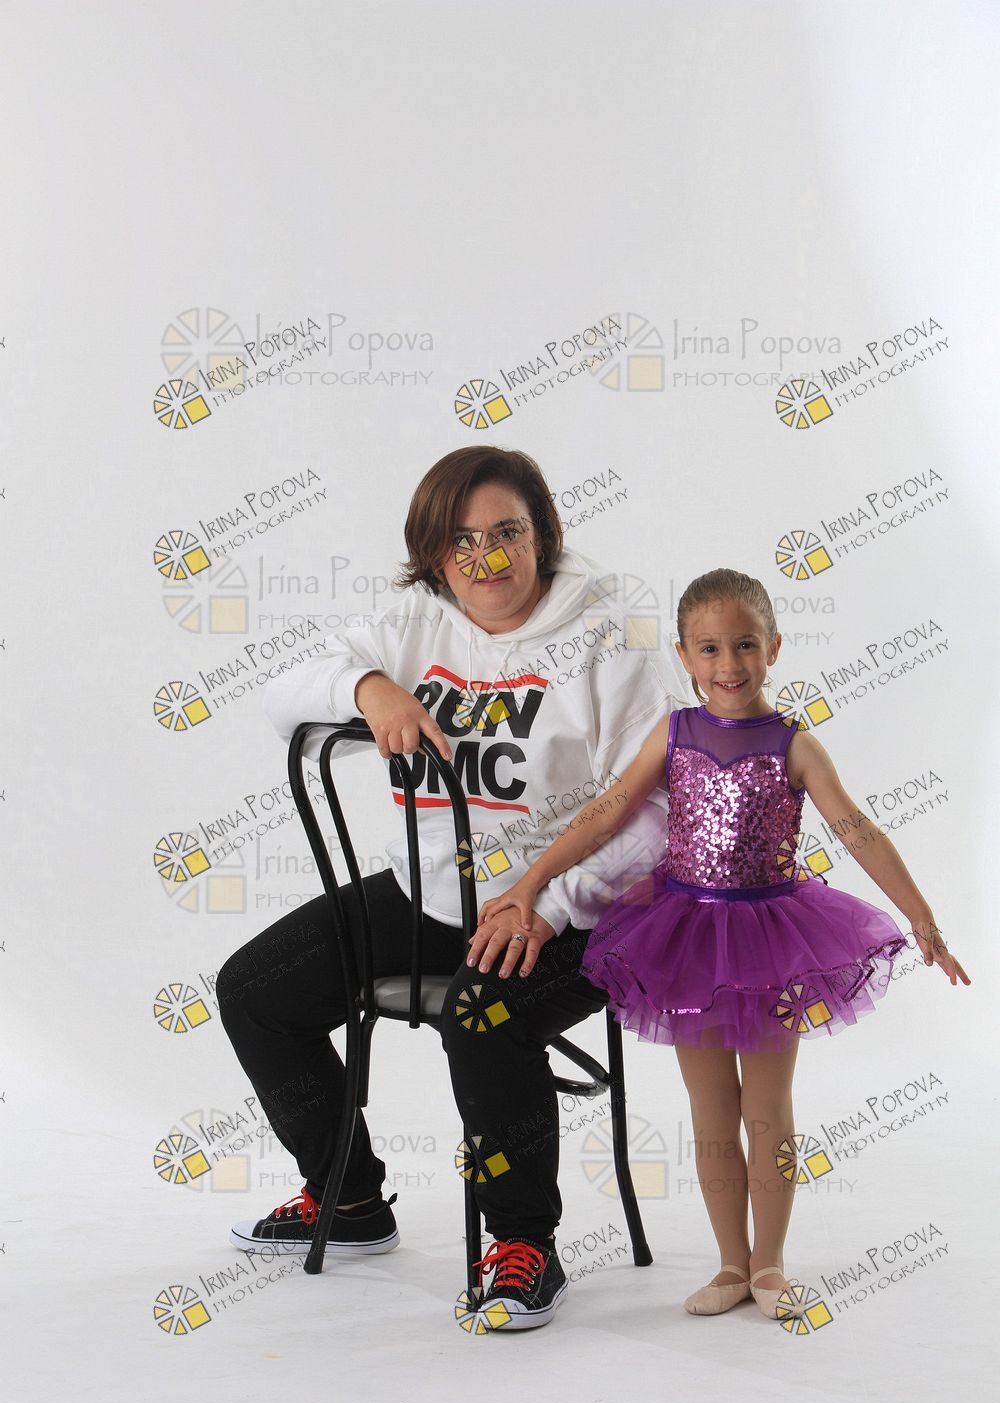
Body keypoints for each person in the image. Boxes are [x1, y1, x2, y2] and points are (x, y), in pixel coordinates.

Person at [216, 445, 686, 1330]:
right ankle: (349, 1198)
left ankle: (524, 1243)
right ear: (433, 553)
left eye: (506, 532)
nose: (485, 558)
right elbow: (283, 692)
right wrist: (368, 686)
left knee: (481, 1012)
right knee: (254, 992)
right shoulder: (415, 621)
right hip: (432, 896)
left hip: (573, 913)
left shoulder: (609, 635)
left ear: (542, 533)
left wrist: (550, 904)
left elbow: (657, 812)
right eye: (460, 541)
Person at [472, 567, 970, 1321]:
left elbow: (856, 830)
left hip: (773, 943)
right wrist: (531, 881)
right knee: (710, 1108)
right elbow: (608, 811)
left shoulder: (794, 744)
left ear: (774, 647)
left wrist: (922, 916)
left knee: (766, 1107)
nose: (728, 664)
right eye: (709, 649)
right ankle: (731, 1263)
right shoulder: (674, 733)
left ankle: (769, 1264)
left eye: (744, 645)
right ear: (684, 655)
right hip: (687, 939)